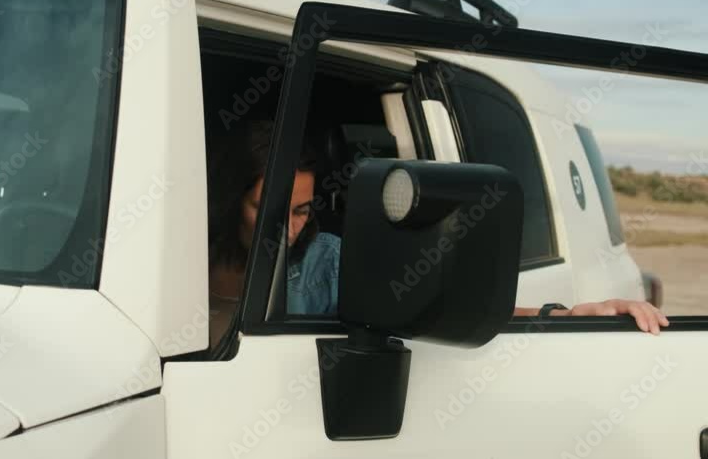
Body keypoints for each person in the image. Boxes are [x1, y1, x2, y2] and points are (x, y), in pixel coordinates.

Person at [206, 120, 669, 347]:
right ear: (231, 200)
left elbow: (435, 298)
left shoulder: (327, 262)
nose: (290, 229)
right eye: (267, 210)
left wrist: (568, 315)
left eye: (303, 210)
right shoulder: (177, 252)